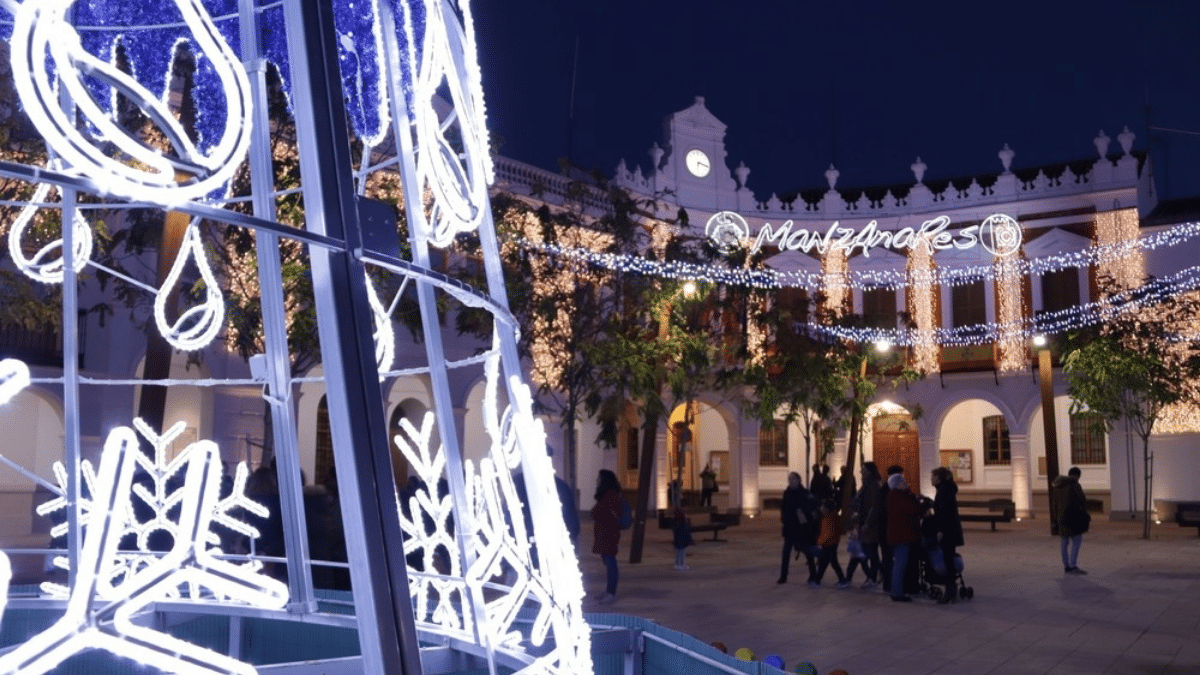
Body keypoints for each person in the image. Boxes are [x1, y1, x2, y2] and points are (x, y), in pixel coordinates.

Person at [885, 472, 924, 602]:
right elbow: (913, 508)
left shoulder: (896, 495)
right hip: (902, 535)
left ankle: (899, 590)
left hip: (901, 534)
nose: (906, 483)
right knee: (900, 564)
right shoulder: (898, 496)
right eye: (903, 481)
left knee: (900, 563)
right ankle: (896, 592)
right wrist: (918, 501)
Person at [930, 466, 965, 603]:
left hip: (948, 531)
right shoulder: (946, 489)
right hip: (952, 530)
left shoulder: (943, 490)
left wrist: (940, 530)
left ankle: (950, 593)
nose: (931, 479)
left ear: (938, 478)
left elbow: (944, 513)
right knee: (948, 559)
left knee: (948, 561)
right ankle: (952, 591)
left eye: (932, 477)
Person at [777, 471, 818, 584]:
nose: (791, 481)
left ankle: (813, 573)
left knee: (807, 551)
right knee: (786, 553)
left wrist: (804, 516)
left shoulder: (804, 493)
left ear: (798, 480)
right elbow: (783, 507)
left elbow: (811, 508)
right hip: (789, 528)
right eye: (789, 479)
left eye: (793, 479)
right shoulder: (787, 493)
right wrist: (783, 518)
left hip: (801, 529)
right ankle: (783, 576)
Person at [591, 469, 624, 604]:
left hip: (608, 535)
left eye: (599, 478)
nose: (596, 480)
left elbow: (601, 513)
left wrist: (595, 512)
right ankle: (609, 591)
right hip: (605, 535)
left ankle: (611, 592)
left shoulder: (611, 495)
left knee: (611, 564)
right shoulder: (608, 495)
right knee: (608, 562)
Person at [1052, 466, 1090, 575]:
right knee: (1077, 541)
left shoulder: (1057, 485)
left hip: (1061, 518)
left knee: (1064, 542)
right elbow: (1080, 501)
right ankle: (1073, 565)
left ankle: (1066, 565)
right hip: (1073, 518)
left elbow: (1054, 503)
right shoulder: (1074, 485)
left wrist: (1056, 517)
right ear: (1077, 476)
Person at [855, 462, 883, 590]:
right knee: (865, 553)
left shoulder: (873, 486)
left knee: (869, 553)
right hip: (863, 524)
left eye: (864, 470)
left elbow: (874, 507)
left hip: (870, 526)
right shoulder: (866, 486)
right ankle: (875, 575)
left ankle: (873, 577)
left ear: (870, 471)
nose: (862, 472)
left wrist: (867, 523)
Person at [878, 464, 904, 594]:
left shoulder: (883, 490)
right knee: (894, 559)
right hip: (891, 529)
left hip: (884, 530)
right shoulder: (893, 492)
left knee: (886, 558)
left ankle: (887, 584)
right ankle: (894, 585)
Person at [814, 499, 849, 588]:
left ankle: (842, 580)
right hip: (831, 543)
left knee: (832, 562)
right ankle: (817, 579)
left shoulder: (828, 519)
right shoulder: (832, 517)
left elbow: (827, 534)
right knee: (825, 562)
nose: (821, 508)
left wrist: (819, 542)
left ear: (827, 509)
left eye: (823, 507)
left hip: (829, 544)